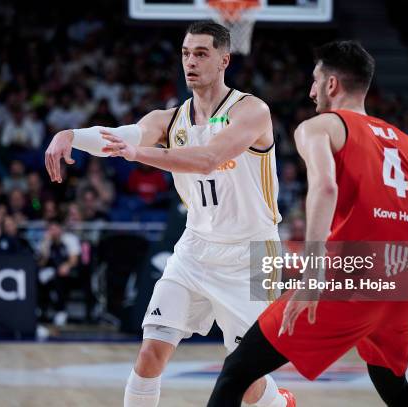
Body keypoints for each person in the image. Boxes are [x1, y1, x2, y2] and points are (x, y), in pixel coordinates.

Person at [207, 40, 408, 407]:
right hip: (405, 282)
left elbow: (325, 186)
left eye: (315, 81)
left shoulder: (319, 127)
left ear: (332, 84)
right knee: (391, 384)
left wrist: (313, 273)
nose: (311, 90)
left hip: (353, 273)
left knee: (237, 372)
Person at [45, 21, 294, 407]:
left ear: (224, 59)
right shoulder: (168, 120)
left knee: (246, 379)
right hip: (195, 248)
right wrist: (72, 136)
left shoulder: (251, 111)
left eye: (201, 53)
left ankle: (279, 403)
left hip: (253, 252)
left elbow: (209, 158)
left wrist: (139, 154)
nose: (190, 61)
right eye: (185, 53)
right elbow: (121, 136)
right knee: (150, 354)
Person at [37, 217, 81, 326]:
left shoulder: (70, 239)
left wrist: (66, 266)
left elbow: (74, 260)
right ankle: (41, 310)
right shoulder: (46, 241)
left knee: (58, 279)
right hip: (50, 271)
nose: (53, 231)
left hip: (70, 271)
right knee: (39, 278)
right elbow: (42, 263)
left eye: (55, 228)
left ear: (61, 228)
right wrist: (46, 244)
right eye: (50, 229)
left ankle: (61, 311)